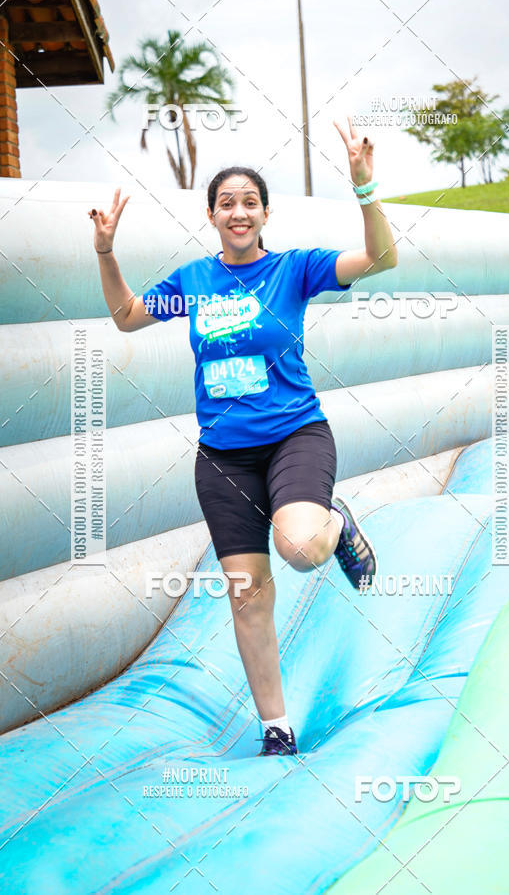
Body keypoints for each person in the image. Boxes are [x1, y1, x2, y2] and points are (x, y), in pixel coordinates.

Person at [89, 117, 398, 757]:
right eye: (226, 203)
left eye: (249, 202)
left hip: (295, 436)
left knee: (301, 546)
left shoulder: (293, 270)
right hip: (223, 459)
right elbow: (125, 318)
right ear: (211, 214)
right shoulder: (192, 283)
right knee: (247, 597)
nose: (238, 212)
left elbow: (381, 258)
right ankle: (276, 728)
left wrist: (365, 189)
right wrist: (105, 250)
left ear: (264, 213)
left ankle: (333, 522)